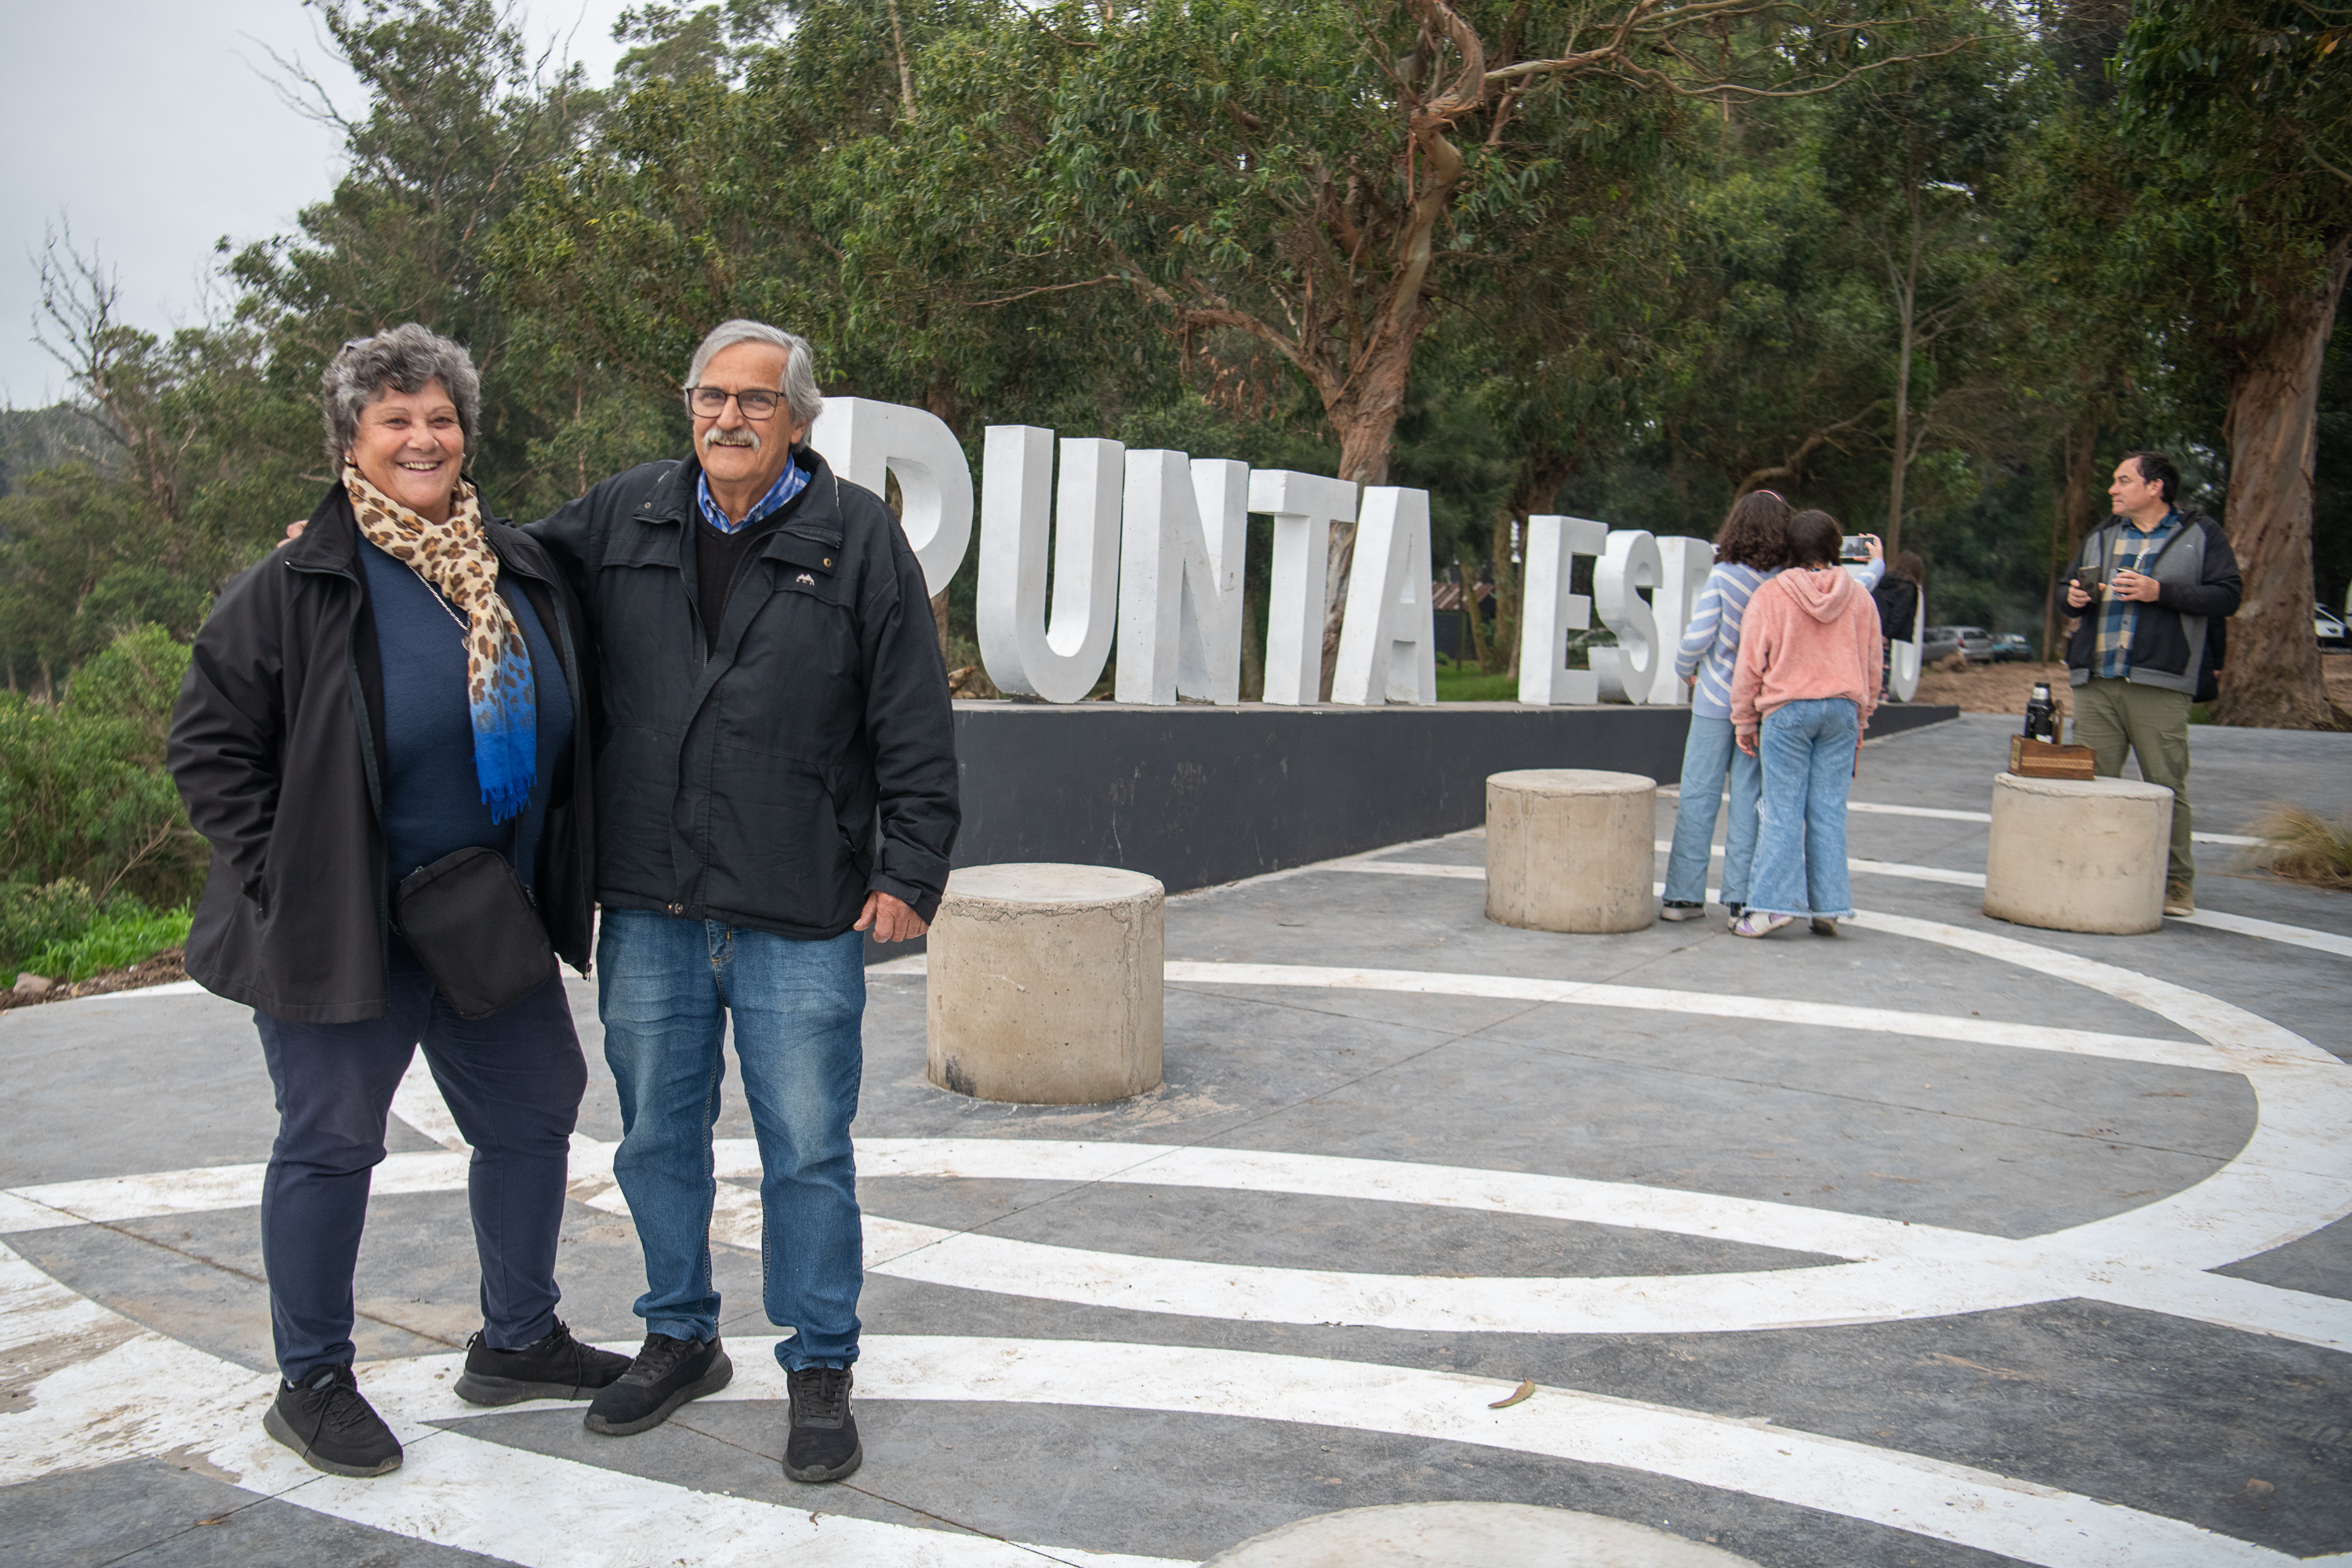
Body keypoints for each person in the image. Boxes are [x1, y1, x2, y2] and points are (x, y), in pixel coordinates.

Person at [168, 325, 625, 1479]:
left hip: (481, 916)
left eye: (440, 418)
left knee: (535, 1107)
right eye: (396, 420)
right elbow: (210, 747)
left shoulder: (514, 563)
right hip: (348, 930)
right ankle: (312, 1378)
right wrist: (294, 876)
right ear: (350, 442)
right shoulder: (296, 584)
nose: (423, 438)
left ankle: (517, 1338)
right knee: (330, 1142)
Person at [524, 320, 958, 1483]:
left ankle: (819, 1364)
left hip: (800, 904)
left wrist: (910, 869)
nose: (729, 418)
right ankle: (680, 1335)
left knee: (807, 1149)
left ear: (799, 420)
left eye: (756, 401)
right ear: (687, 405)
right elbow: (504, 570)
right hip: (651, 902)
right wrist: (379, 541)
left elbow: (913, 716)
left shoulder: (859, 539)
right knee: (657, 1137)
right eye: (710, 395)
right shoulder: (622, 515)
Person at [2058, 451, 2241, 917]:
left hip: (2161, 682)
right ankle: (2091, 876)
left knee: (2165, 787)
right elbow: (2065, 589)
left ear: (2155, 487)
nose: (2112, 489)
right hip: (2096, 680)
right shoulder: (2101, 534)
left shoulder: (2201, 534)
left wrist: (2162, 592)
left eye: (2122, 480)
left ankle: (2176, 886)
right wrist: (2074, 597)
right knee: (2092, 785)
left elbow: (2228, 594)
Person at [1729, 509, 1883, 939]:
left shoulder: (1772, 595)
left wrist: (1744, 720)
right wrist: (1862, 719)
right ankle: (1828, 907)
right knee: (1828, 810)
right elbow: (1873, 666)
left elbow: (1749, 666)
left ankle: (1773, 908)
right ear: (1836, 548)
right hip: (1841, 713)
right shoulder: (1860, 599)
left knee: (1781, 810)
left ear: (1789, 549)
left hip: (1787, 712)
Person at [1661, 490, 1792, 924]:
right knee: (1749, 799)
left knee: (1698, 794)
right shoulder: (1783, 583)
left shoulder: (1724, 577)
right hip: (1760, 707)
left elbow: (1697, 639)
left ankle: (1683, 897)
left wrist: (1686, 669)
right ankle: (1740, 897)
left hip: (1715, 700)